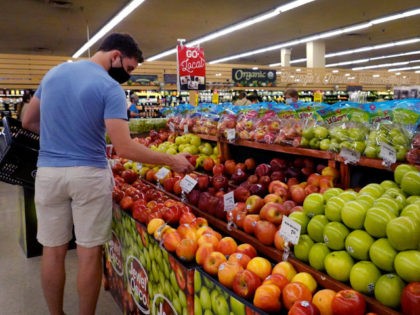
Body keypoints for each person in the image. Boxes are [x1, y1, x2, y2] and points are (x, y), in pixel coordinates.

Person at [22, 33, 194, 315]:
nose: (127, 76)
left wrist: (58, 136)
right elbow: (124, 147)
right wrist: (171, 161)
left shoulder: (54, 74)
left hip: (49, 173)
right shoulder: (109, 88)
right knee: (89, 253)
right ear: (116, 56)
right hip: (89, 174)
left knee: (53, 251)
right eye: (128, 69)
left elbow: (28, 120)